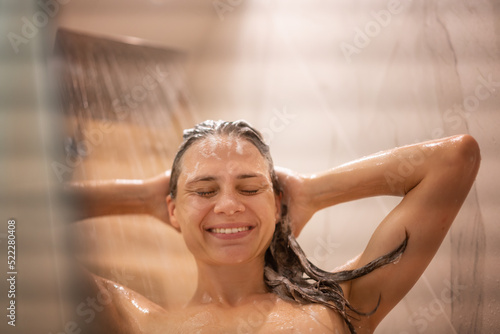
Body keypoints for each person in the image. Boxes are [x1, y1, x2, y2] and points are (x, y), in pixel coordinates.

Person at [66, 120, 480, 333]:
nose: (229, 205)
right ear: (173, 210)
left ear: (277, 201)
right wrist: (142, 197)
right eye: (205, 191)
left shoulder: (341, 307)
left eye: (249, 187)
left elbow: (454, 160)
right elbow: (15, 222)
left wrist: (313, 191)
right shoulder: (135, 322)